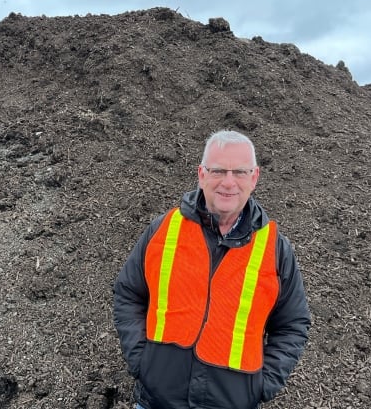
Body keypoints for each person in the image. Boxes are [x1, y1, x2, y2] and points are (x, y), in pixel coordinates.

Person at [113, 130, 310, 409]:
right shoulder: (164, 230)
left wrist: (261, 386)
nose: (228, 183)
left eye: (240, 172)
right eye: (218, 170)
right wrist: (141, 361)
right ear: (201, 174)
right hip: (157, 401)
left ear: (254, 178)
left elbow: (292, 324)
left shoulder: (275, 248)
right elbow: (128, 294)